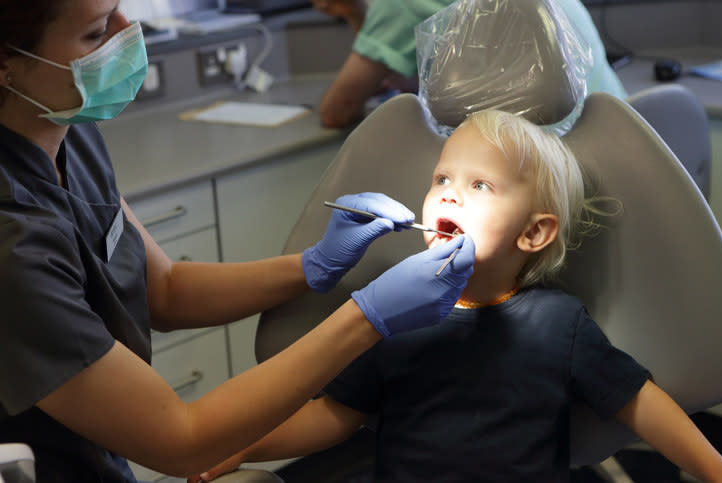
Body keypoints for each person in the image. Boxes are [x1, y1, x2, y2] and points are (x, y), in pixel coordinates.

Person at [0, 1, 477, 481]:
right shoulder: (12, 247)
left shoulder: (67, 132)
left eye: (121, 10)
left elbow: (165, 289)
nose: (130, 33)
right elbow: (180, 440)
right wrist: (367, 316)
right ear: (7, 65)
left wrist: (313, 266)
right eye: (98, 31)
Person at [189, 109, 722, 482]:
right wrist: (243, 444)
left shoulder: (559, 324)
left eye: (479, 185)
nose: (447, 191)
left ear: (534, 234)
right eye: (442, 176)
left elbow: (639, 403)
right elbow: (336, 414)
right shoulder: (393, 316)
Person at [314, 0, 627, 128]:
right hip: (622, 130)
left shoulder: (396, 4)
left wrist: (349, 8)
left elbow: (337, 110)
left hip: (553, 164)